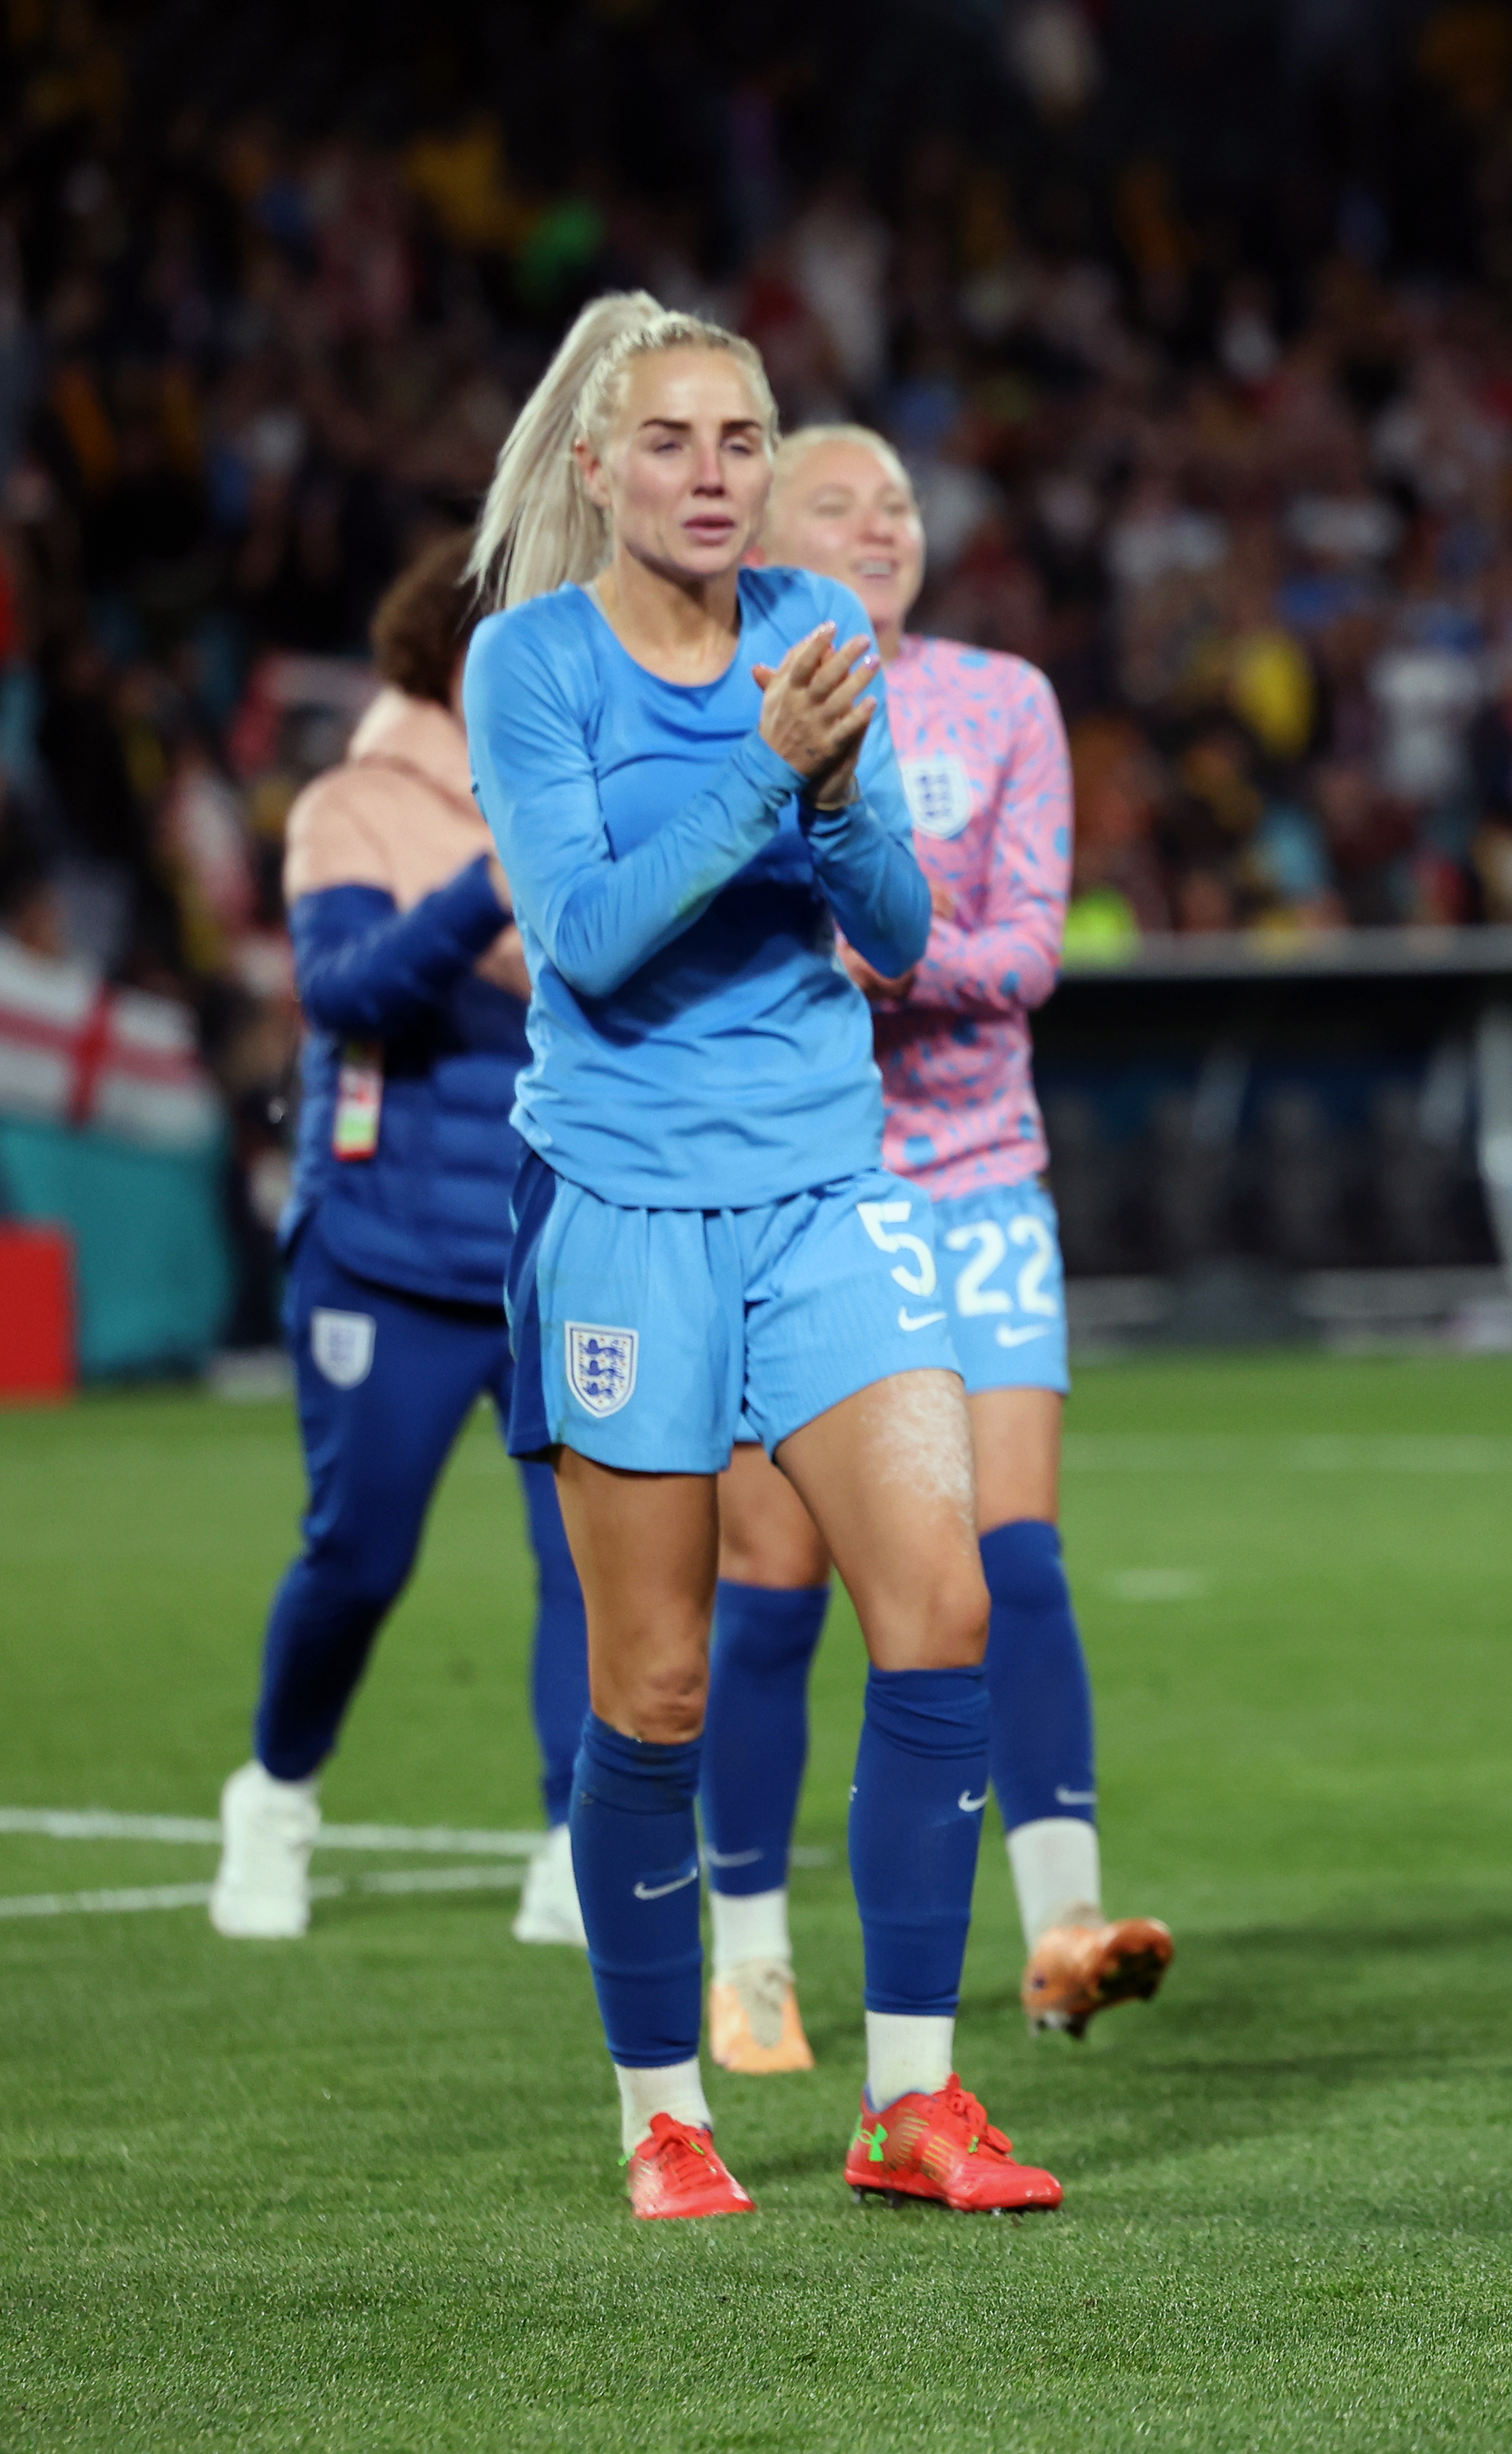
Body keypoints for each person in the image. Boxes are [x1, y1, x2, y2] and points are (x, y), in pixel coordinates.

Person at [464, 291, 1052, 2219]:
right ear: (597, 467)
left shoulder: (817, 633)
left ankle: (909, 2098)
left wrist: (824, 787)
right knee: (655, 1686)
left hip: (827, 1193)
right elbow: (589, 935)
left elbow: (886, 916)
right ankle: (663, 2106)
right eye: (672, 443)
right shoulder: (529, 669)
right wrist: (757, 775)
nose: (711, 476)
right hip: (629, 1213)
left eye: (739, 442)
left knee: (942, 1607)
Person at [690, 421, 1168, 2077]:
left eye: (899, 500)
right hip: (794, 1185)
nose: (884, 521)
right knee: (770, 1585)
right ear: (766, 533)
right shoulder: (716, 693)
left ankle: (1059, 1927)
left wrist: (872, 946)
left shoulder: (1000, 699)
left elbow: (1026, 953)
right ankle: (746, 1954)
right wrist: (890, 938)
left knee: (1013, 1557)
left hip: (972, 1176)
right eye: (843, 501)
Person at [209, 528, 593, 1951]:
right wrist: (500, 878)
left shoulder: (587, 784)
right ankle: (279, 1792)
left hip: (560, 1242)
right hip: (387, 1246)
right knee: (359, 1558)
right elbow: (346, 990)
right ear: (463, 652)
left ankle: (577, 1834)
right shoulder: (355, 804)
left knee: (591, 1561)